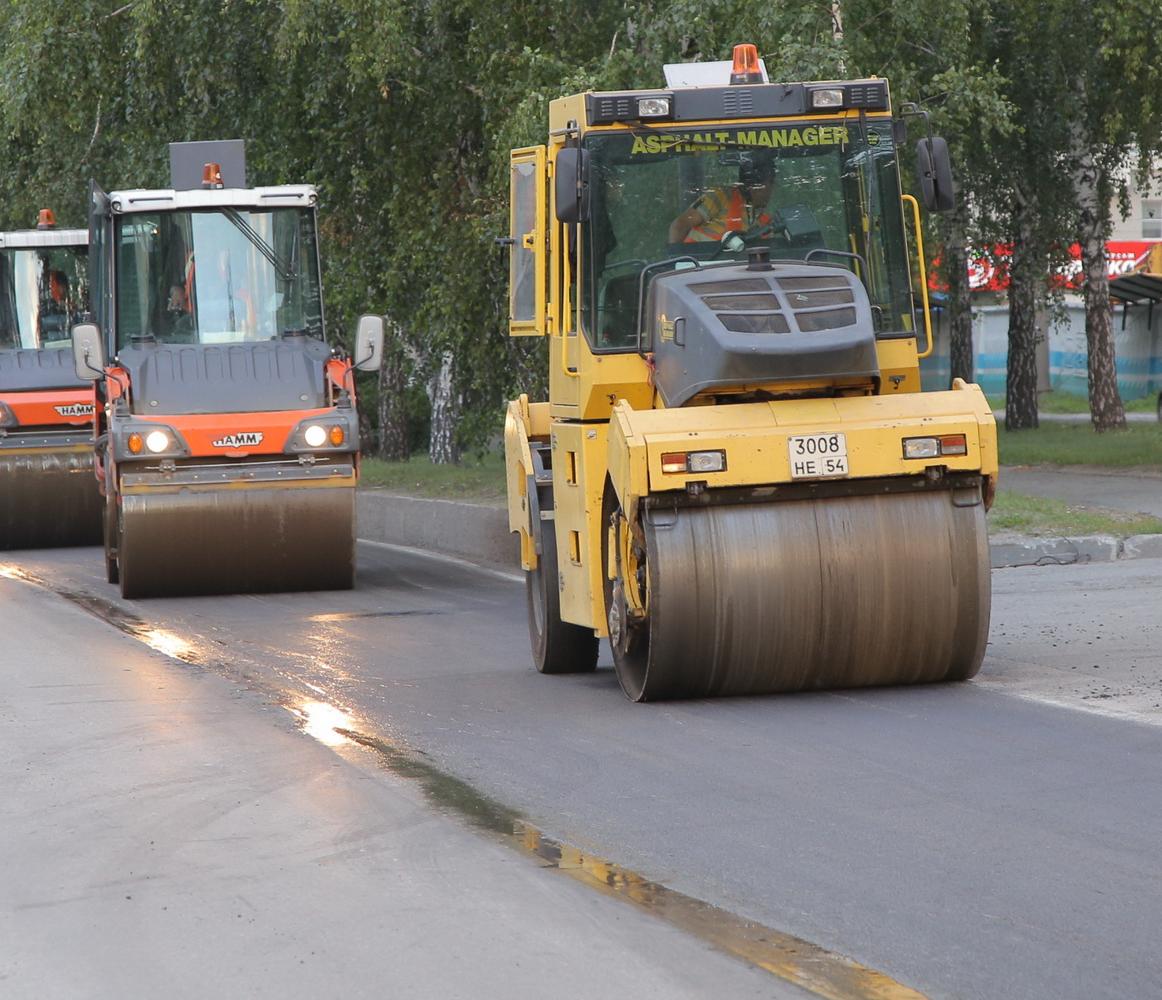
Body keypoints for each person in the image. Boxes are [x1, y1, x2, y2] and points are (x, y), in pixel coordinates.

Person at [668, 151, 776, 245]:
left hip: (733, 267)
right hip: (698, 265)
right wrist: (676, 262)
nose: (770, 191)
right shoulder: (720, 196)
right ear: (756, 187)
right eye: (770, 184)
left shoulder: (764, 222)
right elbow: (679, 226)